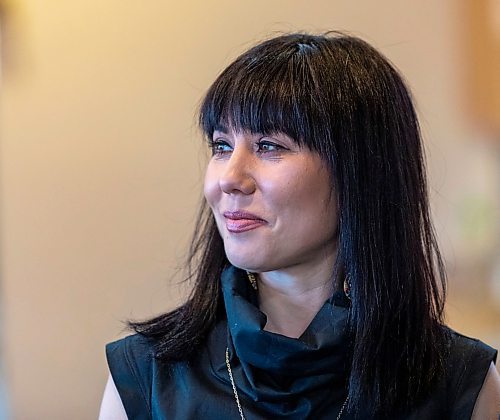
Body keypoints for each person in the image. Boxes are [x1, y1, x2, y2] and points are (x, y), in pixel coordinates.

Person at [99, 32, 499, 419]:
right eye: (222, 146)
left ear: (360, 173)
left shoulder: (461, 386)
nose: (229, 178)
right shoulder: (145, 379)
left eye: (269, 146)